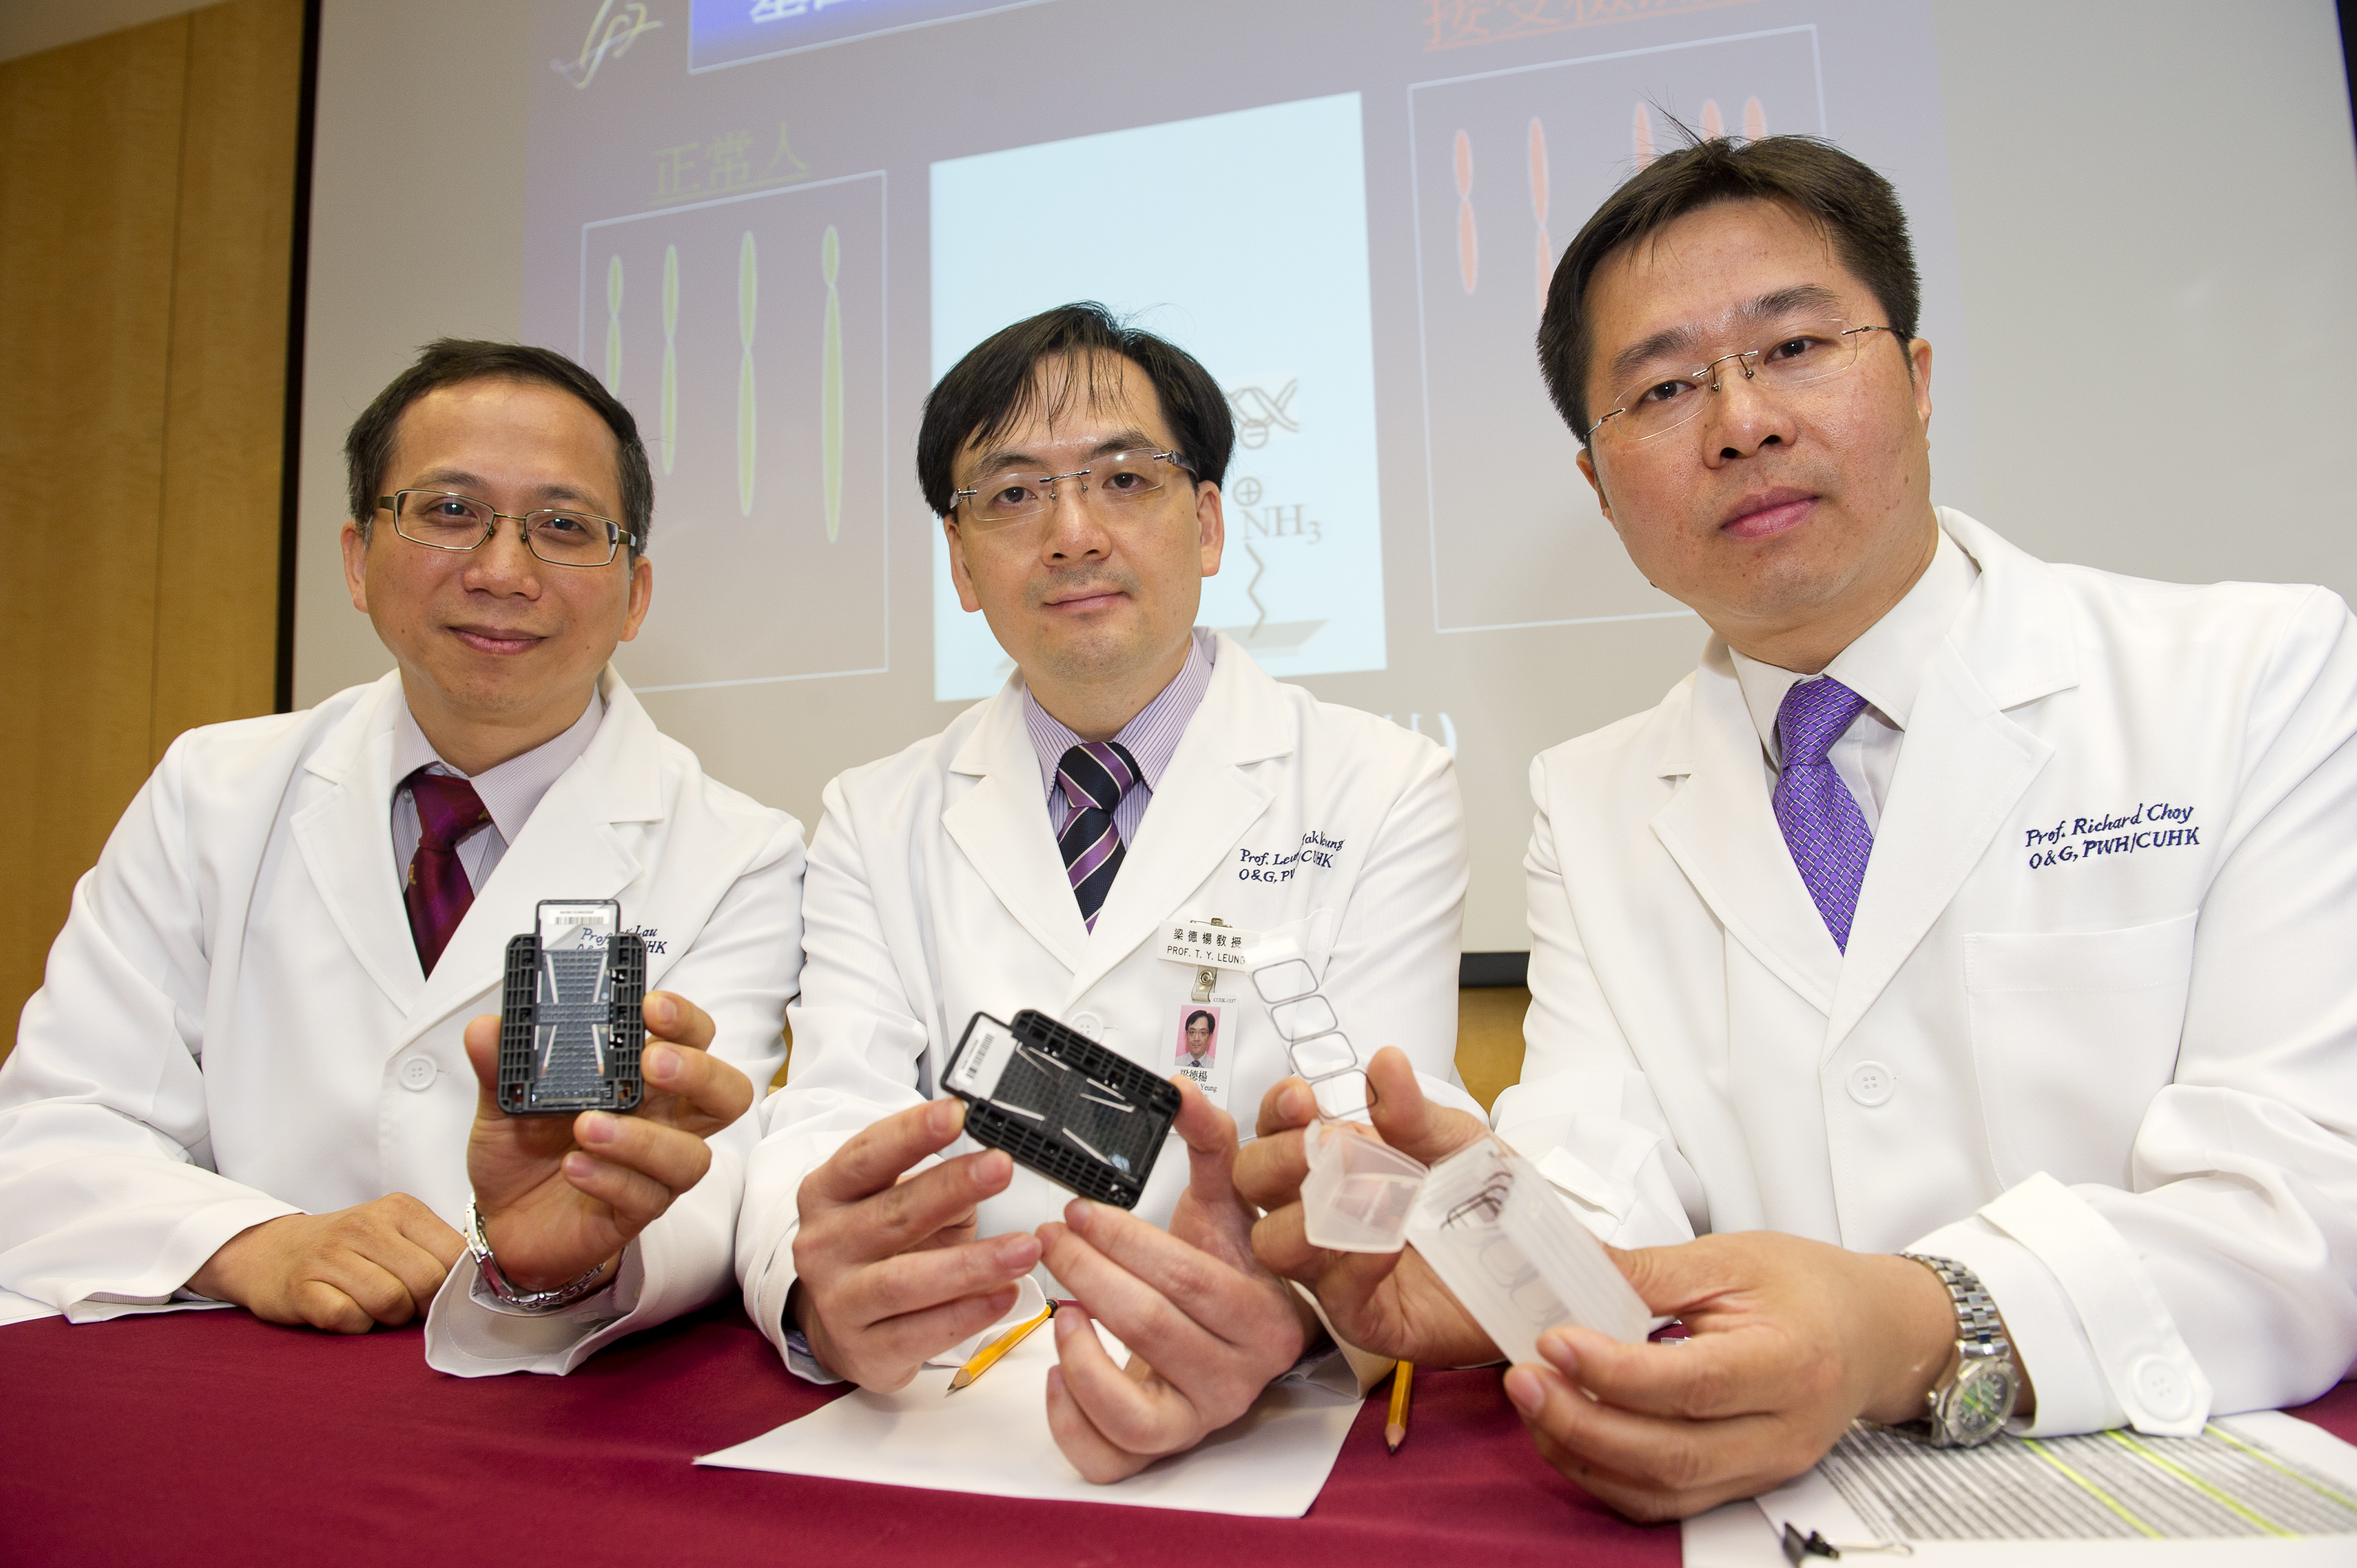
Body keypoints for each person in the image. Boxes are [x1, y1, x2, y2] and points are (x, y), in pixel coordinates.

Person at [1240, 135, 2357, 1520]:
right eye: (1660, 389)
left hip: (2182, 1487)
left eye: (1794, 347)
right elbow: (1607, 1190)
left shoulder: (2254, 675)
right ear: (1598, 485)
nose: (1740, 423)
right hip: (1778, 1516)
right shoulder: (1587, 799)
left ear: (1921, 378)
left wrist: (1900, 1326)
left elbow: (2306, 1208)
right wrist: (1489, 1245)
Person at [736, 303, 1479, 1480]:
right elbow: (827, 1117)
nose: (1073, 533)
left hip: (1267, 1413)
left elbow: (1387, 1126)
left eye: (1123, 478)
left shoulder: (1382, 783)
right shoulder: (873, 815)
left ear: (1209, 522)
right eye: (1014, 494)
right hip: (938, 1406)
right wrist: (818, 1291)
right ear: (960, 559)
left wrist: (1281, 1313)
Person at [0, 340, 805, 1375]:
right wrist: (255, 1244)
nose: (504, 572)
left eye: (563, 527)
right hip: (221, 1366)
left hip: (532, 1391)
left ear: (635, 593)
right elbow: (51, 1133)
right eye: (449, 512)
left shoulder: (740, 856)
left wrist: (547, 1269)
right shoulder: (213, 791)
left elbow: (712, 1183)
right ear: (356, 559)